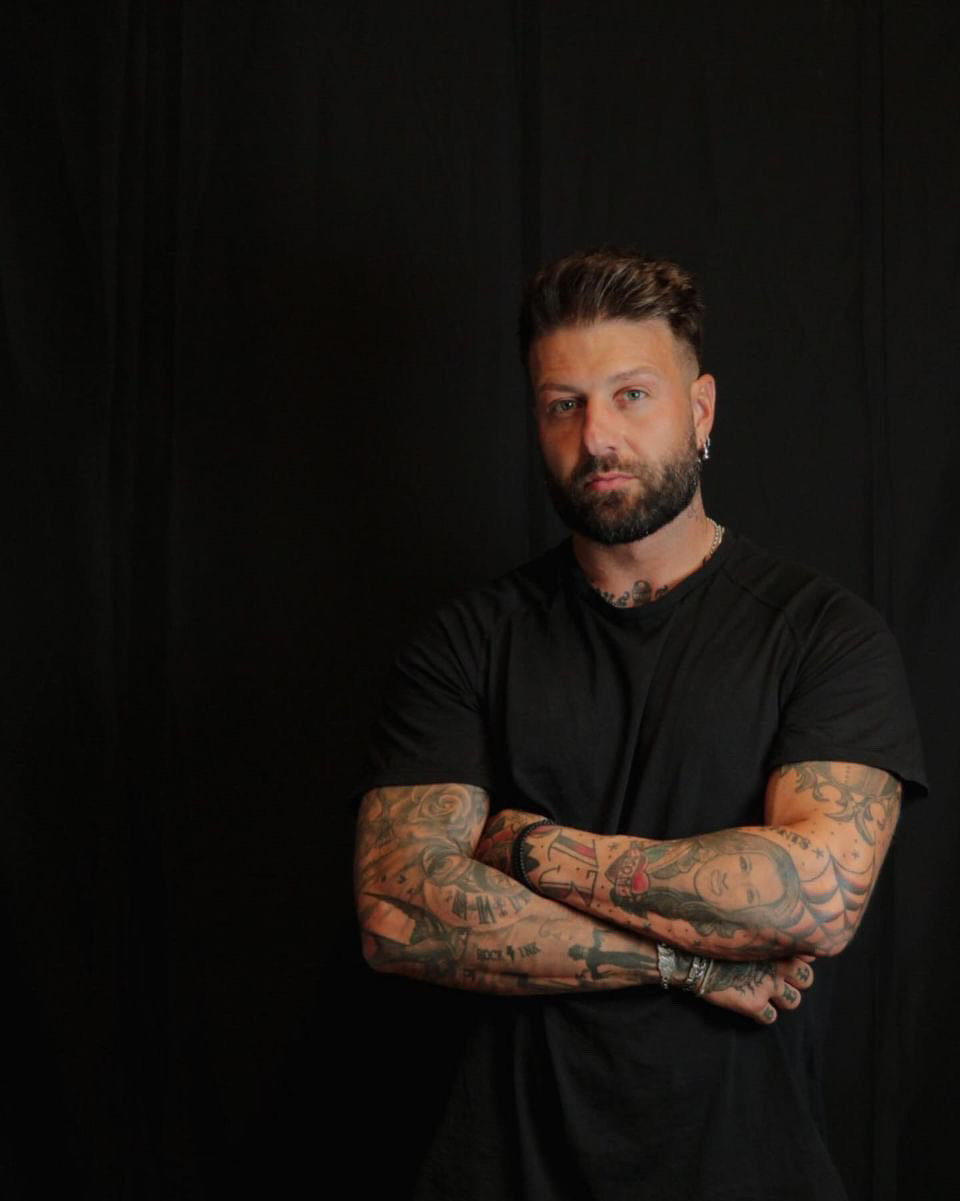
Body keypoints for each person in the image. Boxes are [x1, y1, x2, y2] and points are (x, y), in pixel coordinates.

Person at [353, 249, 927, 1200]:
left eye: (630, 395)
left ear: (700, 410)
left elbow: (813, 897)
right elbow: (398, 913)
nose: (597, 437)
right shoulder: (468, 641)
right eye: (563, 405)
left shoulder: (823, 634)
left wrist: (528, 848)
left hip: (749, 1170)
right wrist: (684, 963)